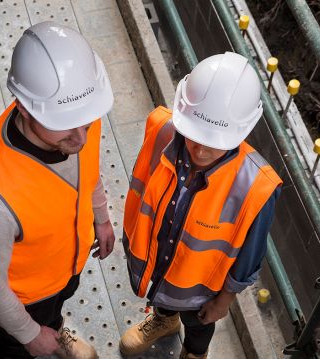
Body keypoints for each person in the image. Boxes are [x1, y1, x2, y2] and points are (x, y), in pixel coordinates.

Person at [0, 22, 115, 359]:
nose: (80, 139)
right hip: (27, 299)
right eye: (66, 126)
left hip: (66, 266)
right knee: (20, 348)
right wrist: (28, 334)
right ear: (24, 108)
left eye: (85, 123)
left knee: (56, 310)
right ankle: (42, 338)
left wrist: (101, 216)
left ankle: (54, 329)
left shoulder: (76, 113)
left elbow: (90, 171)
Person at [118, 52, 282, 359]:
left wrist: (224, 300)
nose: (201, 149)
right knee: (164, 298)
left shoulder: (256, 185)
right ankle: (164, 321)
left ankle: (194, 353)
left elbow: (250, 255)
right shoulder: (163, 129)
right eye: (194, 134)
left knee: (198, 324)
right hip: (159, 263)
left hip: (199, 290)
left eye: (215, 141)